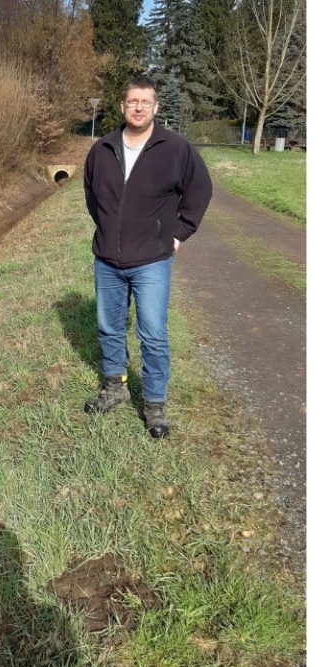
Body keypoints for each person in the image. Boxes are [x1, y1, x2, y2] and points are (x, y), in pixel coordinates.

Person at [81, 74, 213, 437]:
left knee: (152, 333)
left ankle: (154, 405)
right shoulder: (102, 149)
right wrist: (109, 228)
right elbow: (93, 196)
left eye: (145, 101)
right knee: (109, 328)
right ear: (122, 107)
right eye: (132, 101)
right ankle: (115, 387)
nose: (138, 107)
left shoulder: (175, 148)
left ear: (155, 107)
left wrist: (178, 232)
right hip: (107, 259)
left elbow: (200, 190)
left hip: (153, 260)